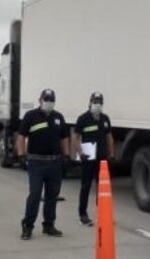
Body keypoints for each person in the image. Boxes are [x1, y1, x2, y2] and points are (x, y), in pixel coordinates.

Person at [15, 88, 70, 239]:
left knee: (52, 196)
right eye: (46, 99)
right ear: (40, 100)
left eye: (52, 100)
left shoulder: (59, 117)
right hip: (36, 162)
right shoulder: (31, 116)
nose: (49, 102)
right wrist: (21, 155)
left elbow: (64, 138)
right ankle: (27, 226)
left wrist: (66, 155)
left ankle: (49, 225)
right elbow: (21, 137)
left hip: (54, 163)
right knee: (35, 194)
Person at [72, 92, 114, 226]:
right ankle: (82, 215)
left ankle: (103, 214)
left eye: (100, 102)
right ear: (90, 102)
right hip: (88, 158)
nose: (98, 104)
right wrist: (80, 153)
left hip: (102, 159)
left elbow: (109, 137)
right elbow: (75, 137)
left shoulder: (105, 118)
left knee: (102, 189)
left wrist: (111, 154)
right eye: (95, 102)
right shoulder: (83, 118)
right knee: (85, 186)